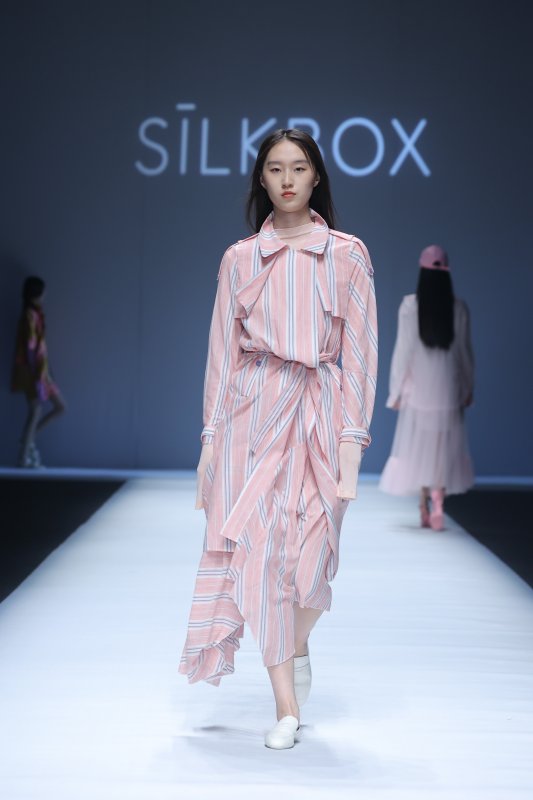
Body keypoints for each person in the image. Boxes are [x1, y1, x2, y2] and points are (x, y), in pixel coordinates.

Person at [179, 129, 378, 749]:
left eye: (298, 167)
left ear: (317, 176)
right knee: (263, 557)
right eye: (274, 168)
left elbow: (361, 355)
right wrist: (210, 442)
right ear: (261, 179)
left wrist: (352, 442)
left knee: (316, 558)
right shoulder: (240, 259)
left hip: (321, 413)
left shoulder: (346, 255)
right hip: (253, 417)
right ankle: (286, 707)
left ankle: (292, 642)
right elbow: (221, 356)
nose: (287, 179)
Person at [379, 245, 474, 529]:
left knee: (420, 447)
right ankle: (438, 503)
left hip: (419, 388)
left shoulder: (410, 307)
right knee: (442, 448)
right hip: (447, 388)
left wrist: (395, 391)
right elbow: (464, 353)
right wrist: (468, 386)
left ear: (422, 272)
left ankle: (423, 504)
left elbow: (403, 352)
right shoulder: (458, 308)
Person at [11, 276, 67, 468]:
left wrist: (47, 372)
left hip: (41, 371)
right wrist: (37, 375)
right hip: (33, 372)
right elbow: (30, 347)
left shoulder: (35, 314)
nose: (44, 296)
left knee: (58, 407)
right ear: (35, 294)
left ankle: (27, 442)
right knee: (36, 410)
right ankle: (24, 455)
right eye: (42, 292)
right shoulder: (29, 315)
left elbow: (38, 347)